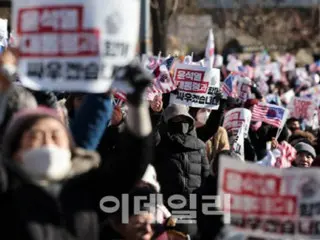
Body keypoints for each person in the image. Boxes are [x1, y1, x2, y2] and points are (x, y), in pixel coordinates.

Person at [0, 62, 154, 240]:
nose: (47, 141)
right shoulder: (7, 190)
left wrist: (137, 102)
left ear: (69, 147)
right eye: (35, 136)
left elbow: (133, 161)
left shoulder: (86, 190)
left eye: (55, 135)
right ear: (16, 151)